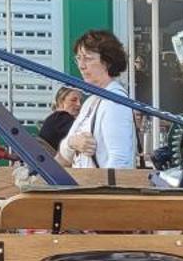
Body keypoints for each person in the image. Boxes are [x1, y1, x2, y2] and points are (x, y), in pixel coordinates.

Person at [58, 29, 138, 169]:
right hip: (85, 187)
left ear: (107, 62)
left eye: (88, 58)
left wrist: (102, 190)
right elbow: (64, 156)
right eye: (78, 58)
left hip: (97, 189)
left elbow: (120, 163)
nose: (81, 66)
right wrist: (73, 142)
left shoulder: (114, 102)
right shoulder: (91, 101)